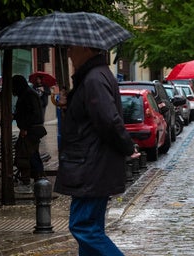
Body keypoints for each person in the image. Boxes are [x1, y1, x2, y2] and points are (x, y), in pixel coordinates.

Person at [54, 46, 140, 256]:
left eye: (72, 49)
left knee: (84, 227)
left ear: (86, 49)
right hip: (92, 164)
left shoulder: (93, 79)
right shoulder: (94, 76)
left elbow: (108, 120)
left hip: (91, 166)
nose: (69, 54)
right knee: (91, 230)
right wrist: (69, 104)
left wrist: (127, 146)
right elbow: (89, 118)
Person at [12, 75, 47, 194]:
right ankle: (39, 178)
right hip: (31, 129)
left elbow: (32, 113)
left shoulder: (28, 94)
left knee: (25, 154)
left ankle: (31, 181)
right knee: (32, 154)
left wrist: (25, 127)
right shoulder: (27, 93)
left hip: (31, 130)